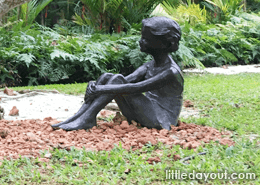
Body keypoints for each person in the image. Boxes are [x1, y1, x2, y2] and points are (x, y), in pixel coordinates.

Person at [53, 16, 183, 131]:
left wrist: (99, 89)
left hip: (161, 120)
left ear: (164, 44)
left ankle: (87, 118)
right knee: (108, 77)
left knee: (115, 81)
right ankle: (79, 117)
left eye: (146, 39)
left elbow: (136, 88)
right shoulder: (149, 65)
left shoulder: (171, 71)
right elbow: (125, 80)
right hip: (146, 113)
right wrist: (97, 85)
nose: (141, 41)